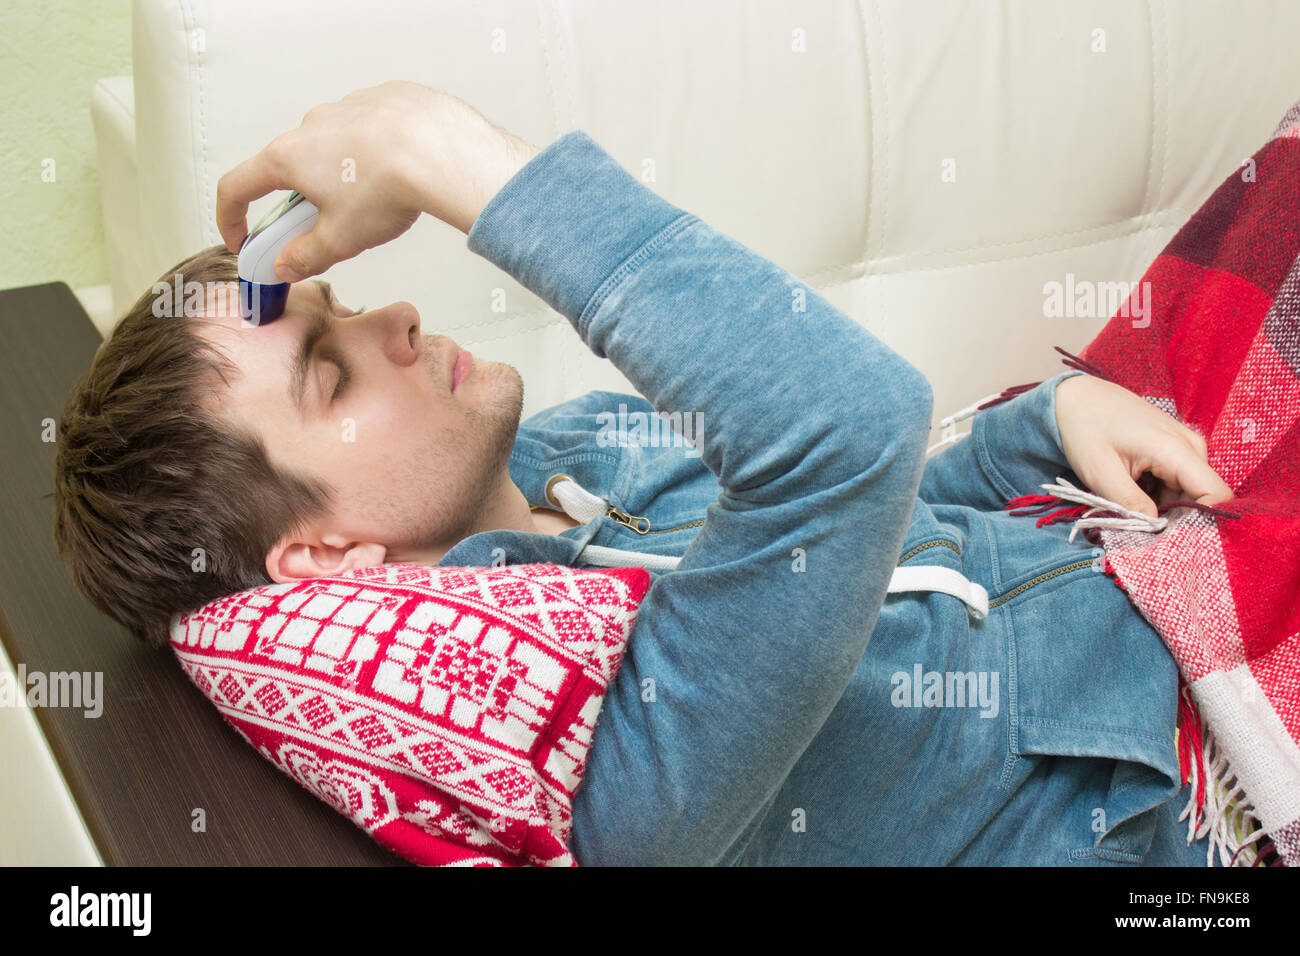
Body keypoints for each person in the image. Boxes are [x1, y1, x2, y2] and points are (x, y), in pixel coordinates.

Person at [53, 81, 1235, 866]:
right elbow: (844, 431)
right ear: (319, 559)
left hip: (1143, 551)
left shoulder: (566, 456)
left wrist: (1039, 424)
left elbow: (873, 531)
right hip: (1198, 772)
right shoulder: (622, 760)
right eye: (329, 370)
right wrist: (430, 147)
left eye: (346, 303)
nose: (398, 317)